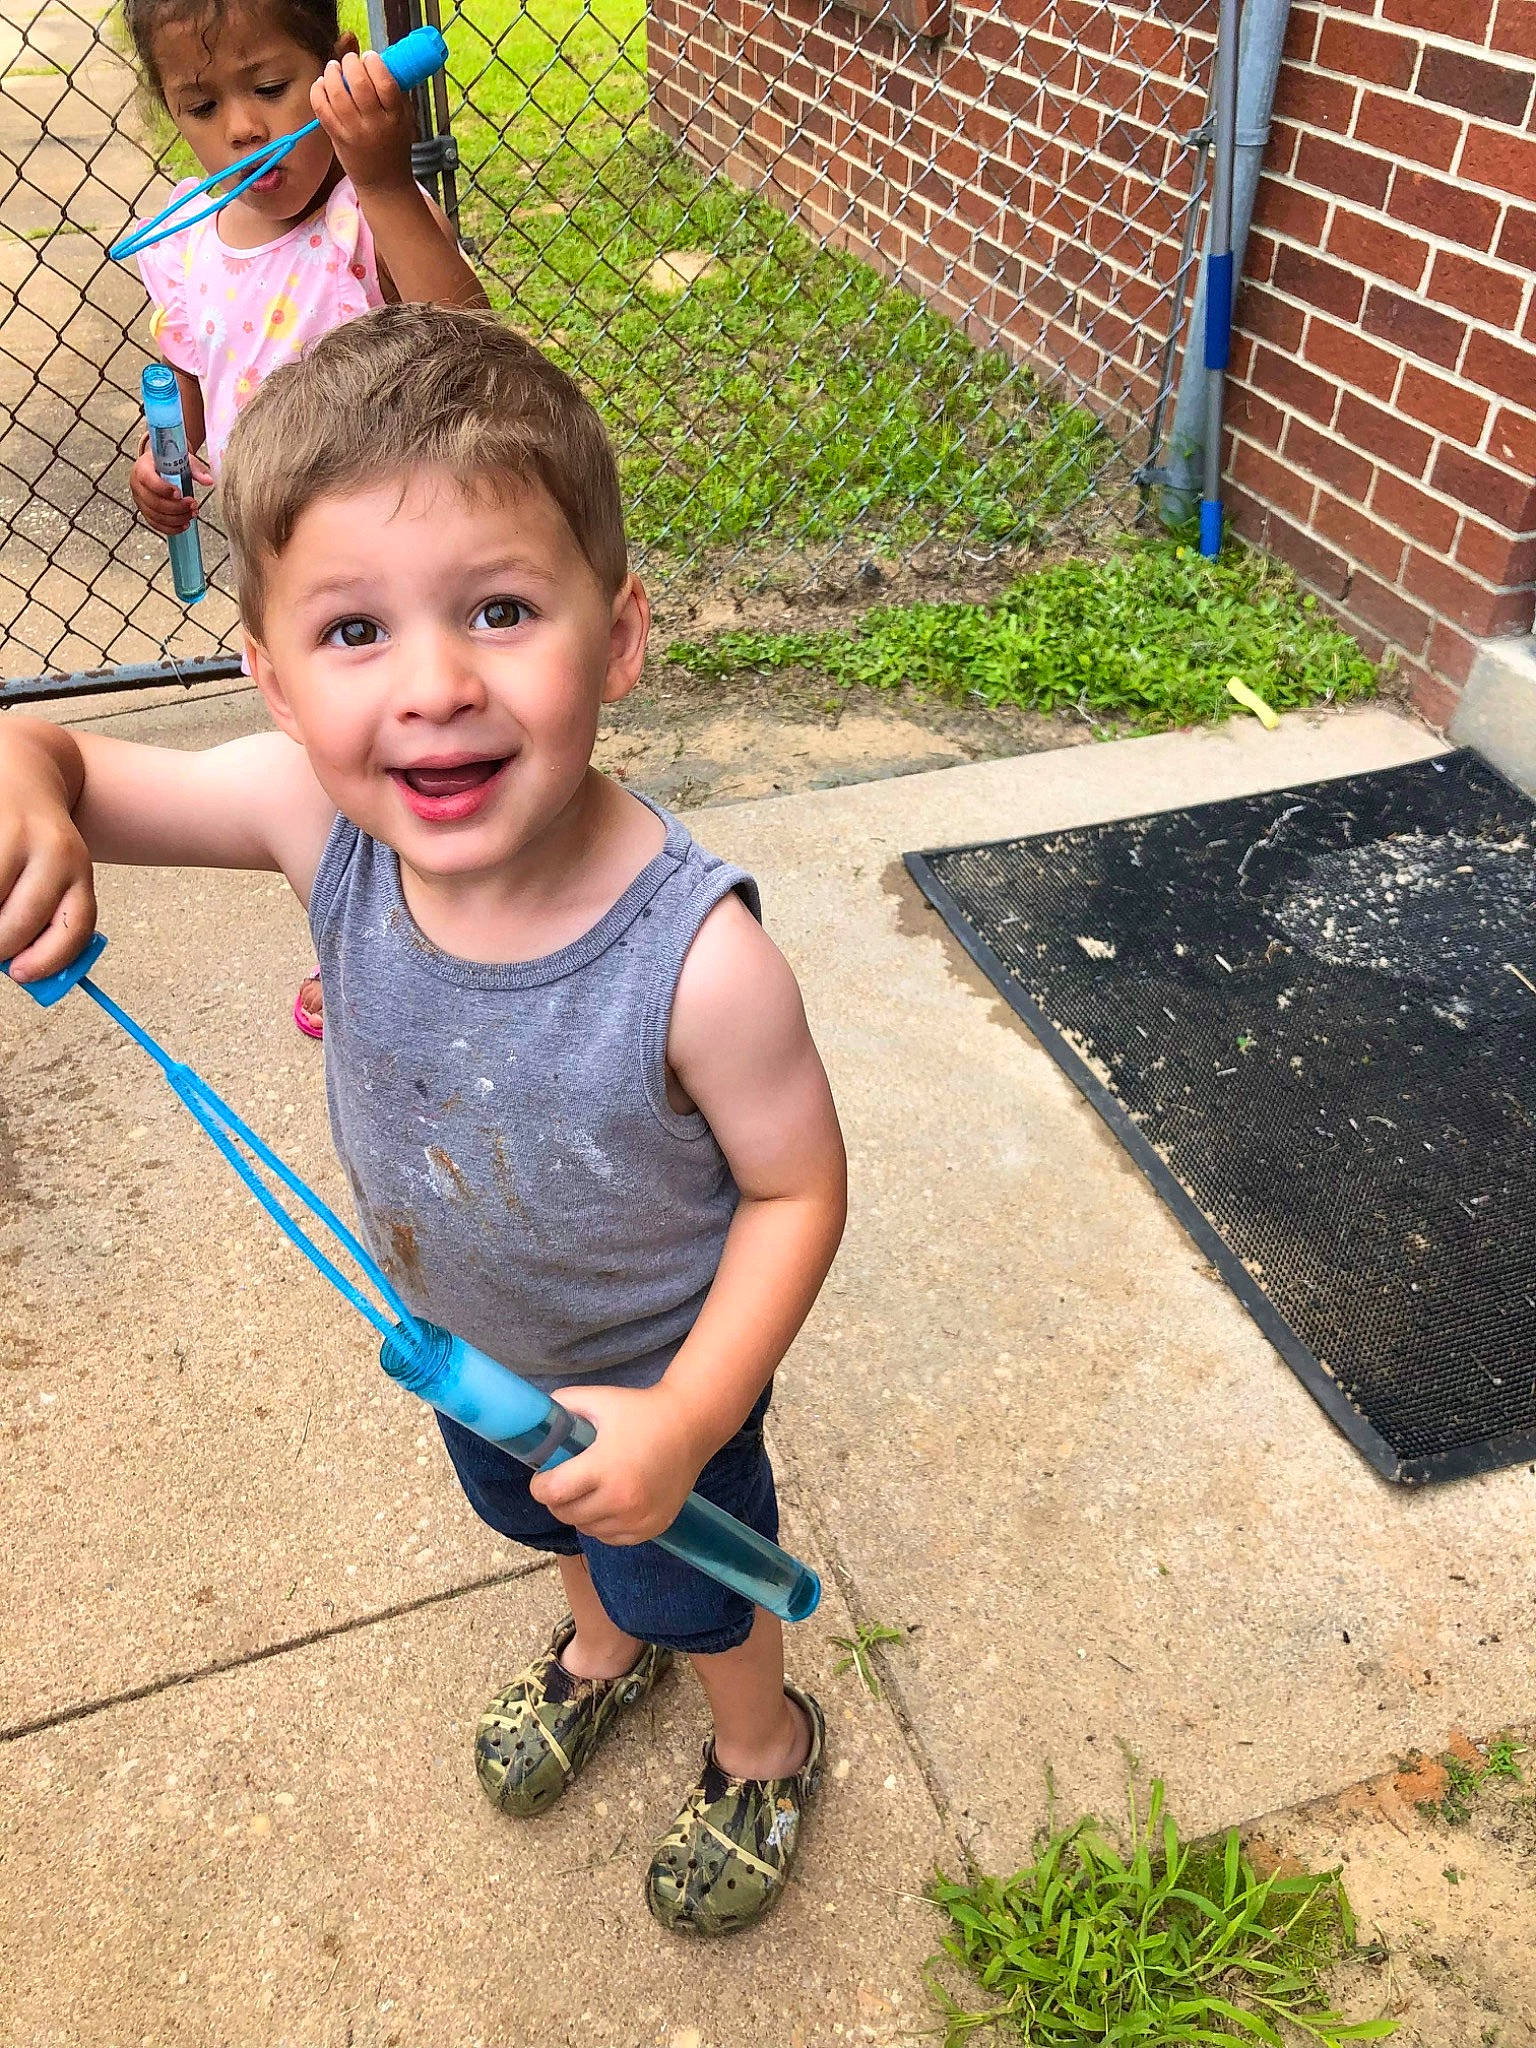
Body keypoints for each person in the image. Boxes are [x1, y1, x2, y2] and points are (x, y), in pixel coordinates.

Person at [0, 303, 847, 1935]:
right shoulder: (312, 817)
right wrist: (27, 789)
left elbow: (797, 1191)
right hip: (466, 1345)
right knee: (536, 1517)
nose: (436, 685)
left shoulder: (701, 962)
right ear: (262, 673)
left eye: (503, 609)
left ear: (617, 638)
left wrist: (684, 1420)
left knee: (704, 1582)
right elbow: (41, 746)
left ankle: (760, 1739)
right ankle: (600, 1653)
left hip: (665, 1385)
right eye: (353, 630)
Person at [122, 0, 487, 1042]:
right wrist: (161, 460)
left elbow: (469, 341)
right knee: (329, 772)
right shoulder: (184, 240)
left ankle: (469, 933)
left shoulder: (362, 216)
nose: (243, 127)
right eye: (202, 103)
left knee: (428, 746)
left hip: (411, 559)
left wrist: (378, 177)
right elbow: (187, 377)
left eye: (271, 87)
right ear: (170, 111)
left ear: (337, 72)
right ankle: (359, 947)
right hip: (288, 574)